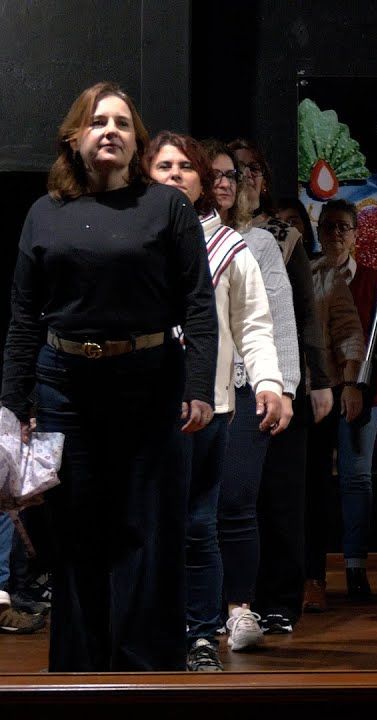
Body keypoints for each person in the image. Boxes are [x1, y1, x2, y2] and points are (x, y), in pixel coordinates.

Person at [1, 82, 218, 671]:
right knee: (76, 533)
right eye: (99, 121)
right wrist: (11, 405)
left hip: (151, 385)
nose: (111, 131)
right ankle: (79, 669)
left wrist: (199, 386)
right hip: (66, 387)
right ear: (75, 137)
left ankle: (148, 670)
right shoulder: (45, 214)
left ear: (136, 141)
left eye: (123, 123)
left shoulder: (167, 207)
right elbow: (24, 316)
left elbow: (199, 303)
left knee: (150, 530)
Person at [143, 132, 287, 670]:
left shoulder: (229, 247)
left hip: (212, 404)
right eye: (163, 166)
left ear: (204, 179)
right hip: (144, 407)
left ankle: (201, 633)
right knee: (151, 524)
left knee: (200, 523)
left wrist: (270, 382)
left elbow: (254, 323)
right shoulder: (134, 238)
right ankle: (156, 630)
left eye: (185, 165)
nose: (175, 174)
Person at [203, 143, 310, 638]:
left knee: (238, 501)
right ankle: (199, 614)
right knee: (194, 506)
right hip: (193, 386)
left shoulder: (261, 243)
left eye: (231, 175)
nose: (224, 182)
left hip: (247, 386)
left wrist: (283, 386)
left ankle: (239, 608)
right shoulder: (174, 238)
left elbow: (278, 320)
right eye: (214, 174)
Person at [304, 201, 376, 604]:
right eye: (327, 227)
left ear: (354, 233)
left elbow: (366, 336)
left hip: (342, 388)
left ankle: (354, 566)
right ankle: (307, 576)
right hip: (297, 391)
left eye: (342, 227)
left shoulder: (356, 278)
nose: (334, 235)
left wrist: (361, 386)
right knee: (309, 486)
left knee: (354, 479)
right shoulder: (307, 273)